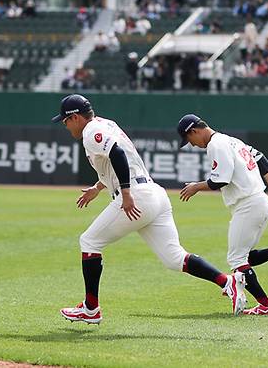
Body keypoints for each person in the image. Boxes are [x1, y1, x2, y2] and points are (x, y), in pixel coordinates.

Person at [53, 95, 246, 323]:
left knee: (89, 241)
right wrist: (98, 187)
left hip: (137, 195)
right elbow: (118, 160)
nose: (65, 126)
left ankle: (91, 308)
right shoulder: (106, 124)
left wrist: (125, 194)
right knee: (174, 258)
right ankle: (227, 281)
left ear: (75, 117)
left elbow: (117, 154)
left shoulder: (90, 131)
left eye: (65, 121)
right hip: (155, 195)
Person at [176, 114, 268, 315]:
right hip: (259, 201)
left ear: (194, 131)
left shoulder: (216, 144)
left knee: (237, 261)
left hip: (248, 204)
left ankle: (266, 305)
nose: (191, 145)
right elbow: (260, 157)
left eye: (189, 140)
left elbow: (221, 180)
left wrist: (196, 187)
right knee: (245, 257)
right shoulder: (230, 140)